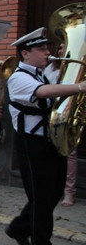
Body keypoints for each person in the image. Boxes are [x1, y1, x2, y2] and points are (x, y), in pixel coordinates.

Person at [5, 28, 85, 245]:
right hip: (31, 145)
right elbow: (43, 94)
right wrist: (80, 87)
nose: (47, 53)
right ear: (26, 53)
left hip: (49, 142)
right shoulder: (18, 77)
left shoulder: (44, 73)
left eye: (46, 48)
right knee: (41, 199)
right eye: (42, 49)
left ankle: (19, 227)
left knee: (51, 194)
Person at [44, 43, 78, 207]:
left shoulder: (78, 67)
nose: (61, 50)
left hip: (69, 112)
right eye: (60, 47)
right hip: (51, 111)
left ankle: (69, 192)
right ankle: (53, 187)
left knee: (69, 153)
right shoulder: (52, 67)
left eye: (65, 47)